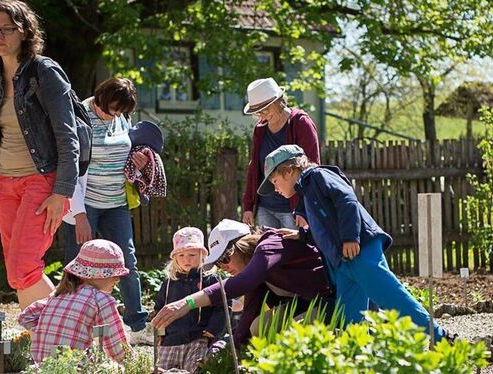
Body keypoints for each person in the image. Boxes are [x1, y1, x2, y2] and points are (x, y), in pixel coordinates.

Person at [260, 144, 450, 342]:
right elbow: (325, 229)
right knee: (350, 315)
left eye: (275, 182)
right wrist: (302, 235)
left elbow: (346, 199)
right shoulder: (306, 191)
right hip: (344, 261)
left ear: (289, 171)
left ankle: (440, 336)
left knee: (392, 298)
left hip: (359, 251)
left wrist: (351, 237)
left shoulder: (317, 176)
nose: (275, 189)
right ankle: (359, 357)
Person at [0, 0, 79, 310]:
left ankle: (70, 327)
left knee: (22, 266)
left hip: (42, 182)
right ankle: (44, 341)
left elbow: (67, 136)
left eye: (7, 29)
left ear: (24, 31)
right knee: (18, 274)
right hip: (5, 185)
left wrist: (61, 192)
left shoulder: (44, 71)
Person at [61, 77, 151, 344]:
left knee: (127, 262)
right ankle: (71, 323)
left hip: (116, 204)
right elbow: (71, 169)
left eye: (121, 111)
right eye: (112, 108)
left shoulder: (121, 116)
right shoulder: (80, 115)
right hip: (85, 204)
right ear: (100, 96)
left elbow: (125, 158)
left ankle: (136, 326)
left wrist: (139, 162)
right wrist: (79, 215)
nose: (115, 115)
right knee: (77, 263)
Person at [151, 219, 334, 347]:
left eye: (225, 258)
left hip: (330, 302)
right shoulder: (255, 274)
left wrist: (187, 303)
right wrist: (229, 351)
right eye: (218, 263)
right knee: (258, 327)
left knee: (290, 335)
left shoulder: (270, 246)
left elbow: (241, 283)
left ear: (240, 246)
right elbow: (248, 315)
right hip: (305, 305)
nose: (223, 267)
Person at [18, 239, 132, 363]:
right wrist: (131, 364)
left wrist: (49, 332)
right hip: (74, 367)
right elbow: (116, 347)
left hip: (42, 366)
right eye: (113, 274)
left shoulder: (58, 295)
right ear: (94, 274)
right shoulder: (101, 300)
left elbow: (26, 317)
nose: (118, 279)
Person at [241, 77, 321, 229]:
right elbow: (254, 167)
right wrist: (248, 205)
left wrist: (303, 209)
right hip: (264, 207)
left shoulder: (301, 123)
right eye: (258, 112)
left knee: (296, 252)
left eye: (266, 109)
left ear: (279, 101)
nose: (263, 116)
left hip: (293, 209)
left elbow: (312, 169)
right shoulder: (260, 129)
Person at [154, 227, 226, 372]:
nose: (186, 259)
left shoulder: (210, 280)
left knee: (194, 369)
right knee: (162, 370)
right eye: (181, 255)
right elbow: (159, 308)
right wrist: (160, 334)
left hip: (198, 338)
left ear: (202, 254)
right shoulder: (168, 283)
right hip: (171, 341)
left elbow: (222, 306)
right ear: (174, 258)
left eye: (192, 255)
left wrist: (213, 330)